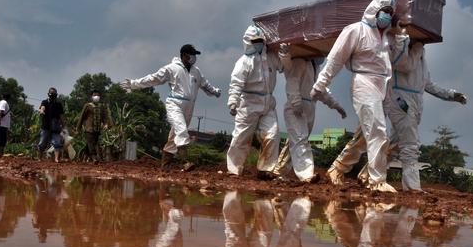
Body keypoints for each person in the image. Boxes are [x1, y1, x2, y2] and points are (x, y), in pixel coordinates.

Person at [328, 40, 468, 191]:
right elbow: (404, 66)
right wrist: (414, 48)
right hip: (394, 97)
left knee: (395, 145)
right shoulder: (397, 47)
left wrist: (451, 95)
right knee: (373, 138)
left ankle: (368, 175)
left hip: (413, 103)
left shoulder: (421, 57)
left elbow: (427, 84)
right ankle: (338, 168)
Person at [310, 0, 407, 193]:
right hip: (363, 82)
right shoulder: (356, 30)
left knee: (368, 134)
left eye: (391, 13)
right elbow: (335, 59)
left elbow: (396, 64)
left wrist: (401, 35)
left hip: (383, 86)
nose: (387, 16)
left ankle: (337, 170)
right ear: (375, 10)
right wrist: (320, 84)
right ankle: (377, 181)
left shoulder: (387, 38)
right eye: (385, 12)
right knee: (378, 131)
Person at [121, 44, 221, 172]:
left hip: (189, 107)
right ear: (184, 55)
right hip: (175, 104)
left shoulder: (196, 72)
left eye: (195, 55)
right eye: (192, 55)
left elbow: (206, 85)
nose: (194, 57)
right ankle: (185, 162)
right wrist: (134, 84)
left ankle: (165, 164)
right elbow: (154, 78)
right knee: (182, 130)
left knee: (174, 137)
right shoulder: (172, 68)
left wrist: (215, 92)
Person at [273, 52, 347, 183]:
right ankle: (306, 174)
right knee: (300, 140)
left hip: (310, 106)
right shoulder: (299, 62)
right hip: (297, 106)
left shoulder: (314, 67)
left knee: (297, 140)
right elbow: (292, 81)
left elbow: (322, 91)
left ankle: (279, 170)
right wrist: (295, 102)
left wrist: (337, 106)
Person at [226, 25, 286, 180]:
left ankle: (265, 169)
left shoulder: (271, 57)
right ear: (248, 41)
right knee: (241, 137)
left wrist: (284, 54)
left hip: (268, 102)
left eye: (260, 40)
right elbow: (236, 83)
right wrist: (233, 101)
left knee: (272, 135)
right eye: (255, 41)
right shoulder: (244, 62)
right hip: (248, 103)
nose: (258, 43)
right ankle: (234, 169)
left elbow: (283, 67)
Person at [76, 90, 113, 163]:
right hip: (89, 129)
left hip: (97, 129)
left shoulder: (101, 106)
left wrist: (106, 124)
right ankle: (94, 158)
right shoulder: (88, 106)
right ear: (91, 97)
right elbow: (82, 116)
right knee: (91, 143)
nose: (96, 97)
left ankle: (84, 158)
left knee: (91, 143)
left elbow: (105, 117)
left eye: (97, 95)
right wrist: (78, 127)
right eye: (94, 95)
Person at [37, 87, 65, 163]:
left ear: (56, 95)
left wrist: (64, 126)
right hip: (46, 126)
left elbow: (61, 116)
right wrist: (42, 111)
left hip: (55, 126)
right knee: (42, 143)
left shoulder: (59, 104)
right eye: (51, 94)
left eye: (54, 94)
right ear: (48, 94)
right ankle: (39, 158)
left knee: (57, 143)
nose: (53, 96)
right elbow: (42, 108)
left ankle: (56, 159)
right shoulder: (45, 102)